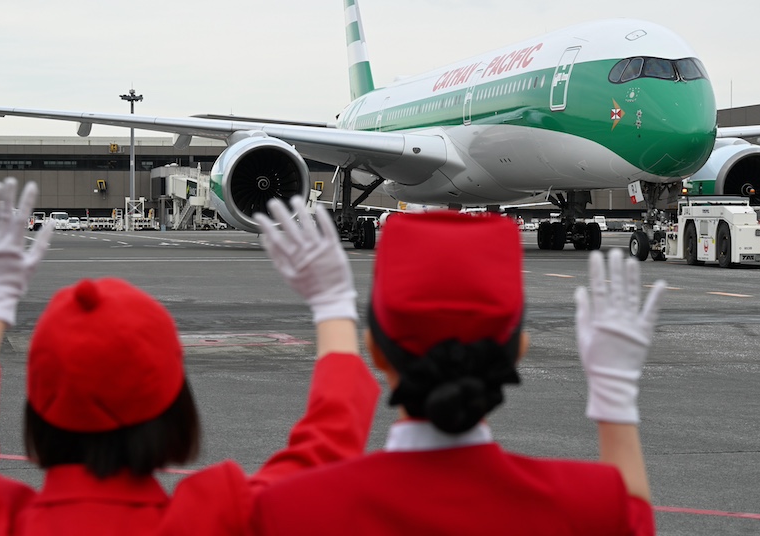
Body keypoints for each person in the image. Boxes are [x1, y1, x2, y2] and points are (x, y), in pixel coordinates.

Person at [0, 180, 379, 535]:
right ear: (178, 409)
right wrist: (333, 303)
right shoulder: (221, 517)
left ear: (37, 410)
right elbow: (330, 441)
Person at [252, 210, 666, 535]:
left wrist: (332, 311)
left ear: (375, 350)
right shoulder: (591, 505)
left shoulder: (289, 511)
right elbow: (632, 519)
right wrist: (615, 394)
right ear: (518, 349)